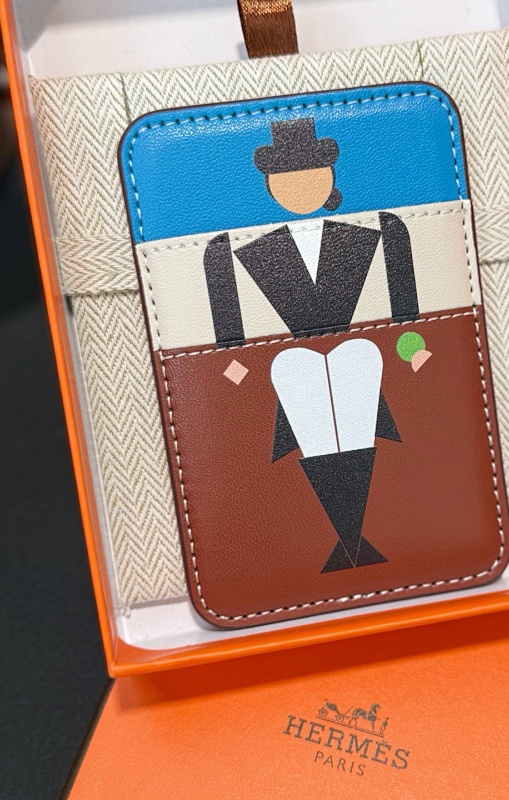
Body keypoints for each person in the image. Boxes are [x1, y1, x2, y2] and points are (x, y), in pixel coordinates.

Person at [202, 117, 420, 572]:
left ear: (330, 177)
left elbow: (407, 317)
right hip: (295, 375)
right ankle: (346, 538)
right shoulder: (235, 252)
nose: (299, 187)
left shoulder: (379, 233)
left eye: (310, 175)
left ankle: (354, 539)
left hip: (356, 367)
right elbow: (229, 339)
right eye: (286, 179)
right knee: (299, 375)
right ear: (269, 187)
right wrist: (235, 369)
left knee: (356, 363)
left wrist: (413, 350)